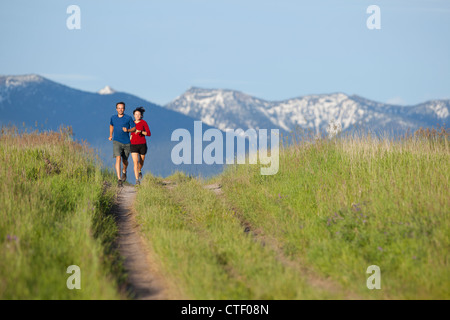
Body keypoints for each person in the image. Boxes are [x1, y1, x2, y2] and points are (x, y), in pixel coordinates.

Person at [109, 102, 136, 186]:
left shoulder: (128, 118)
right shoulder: (113, 118)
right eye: (119, 108)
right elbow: (111, 125)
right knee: (118, 158)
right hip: (116, 141)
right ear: (116, 109)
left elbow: (134, 128)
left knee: (125, 161)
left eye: (122, 108)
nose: (120, 109)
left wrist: (128, 130)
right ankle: (119, 179)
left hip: (126, 142)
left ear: (124, 109)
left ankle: (124, 171)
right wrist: (110, 135)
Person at [130, 106, 151, 185]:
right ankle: (137, 180)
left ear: (141, 115)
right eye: (136, 114)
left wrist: (141, 131)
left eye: (139, 114)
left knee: (141, 162)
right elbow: (131, 134)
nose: (137, 116)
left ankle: (139, 170)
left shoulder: (144, 123)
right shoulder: (131, 123)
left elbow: (148, 133)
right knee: (135, 162)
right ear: (134, 115)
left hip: (142, 144)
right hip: (133, 145)